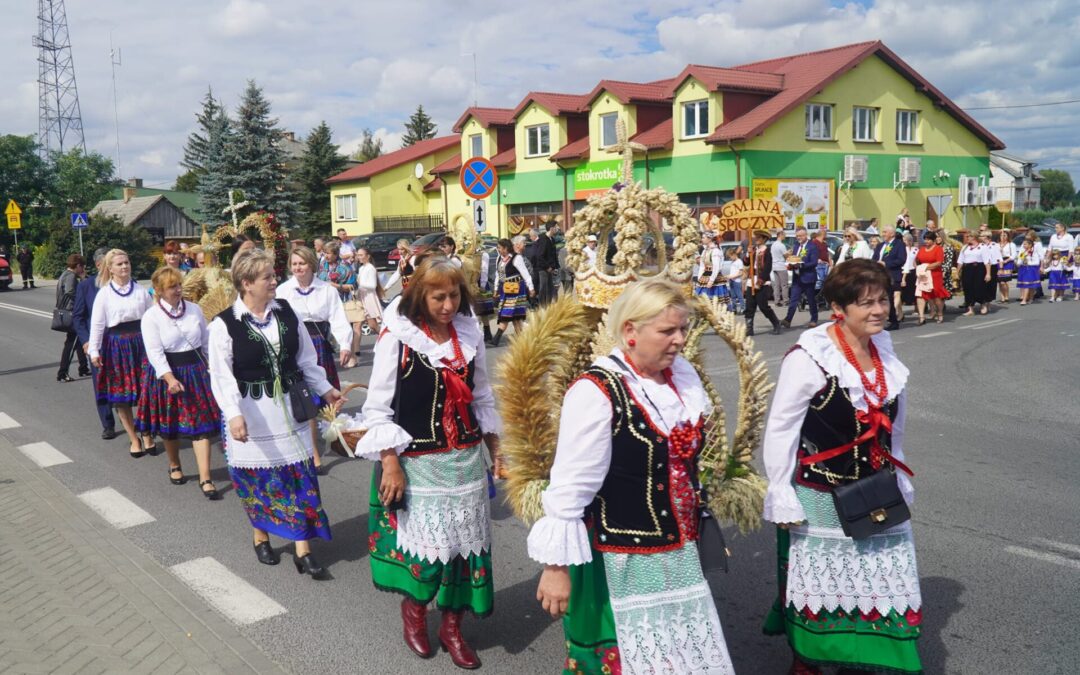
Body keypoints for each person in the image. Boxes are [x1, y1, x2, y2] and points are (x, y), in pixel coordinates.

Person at [529, 278, 736, 675]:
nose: (679, 340)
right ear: (630, 332)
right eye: (667, 331)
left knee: (680, 651)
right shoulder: (597, 391)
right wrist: (556, 568)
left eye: (683, 329)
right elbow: (571, 484)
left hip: (677, 549)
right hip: (622, 553)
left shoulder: (679, 378)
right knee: (630, 656)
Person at [762, 259, 922, 675]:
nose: (878, 310)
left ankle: (867, 662)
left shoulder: (883, 348)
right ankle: (811, 662)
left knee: (879, 585)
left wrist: (900, 471)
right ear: (838, 307)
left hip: (877, 490)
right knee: (824, 592)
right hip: (822, 495)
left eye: (883, 300)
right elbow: (781, 429)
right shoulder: (809, 358)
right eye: (866, 303)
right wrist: (780, 490)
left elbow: (895, 425)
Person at [354, 257, 502, 669]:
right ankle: (416, 611)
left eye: (455, 295)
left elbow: (483, 397)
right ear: (421, 296)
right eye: (439, 297)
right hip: (418, 460)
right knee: (428, 553)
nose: (449, 304)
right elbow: (378, 409)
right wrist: (390, 463)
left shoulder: (469, 336)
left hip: (466, 459)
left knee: (466, 553)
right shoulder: (398, 338)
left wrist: (497, 448)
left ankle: (452, 627)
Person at [208, 249, 341, 578]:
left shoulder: (286, 313)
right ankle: (261, 536)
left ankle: (303, 550)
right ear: (247, 283)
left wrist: (326, 389)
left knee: (299, 476)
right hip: (252, 414)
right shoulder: (224, 325)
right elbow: (221, 377)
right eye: (267, 276)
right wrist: (233, 415)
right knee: (260, 481)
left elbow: (307, 359)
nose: (274, 281)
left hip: (291, 410)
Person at [136, 267, 222, 498]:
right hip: (168, 373)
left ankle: (206, 478)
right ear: (159, 291)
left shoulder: (194, 310)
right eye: (172, 287)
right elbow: (154, 353)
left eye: (179, 285)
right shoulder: (151, 317)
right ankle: (174, 464)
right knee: (171, 426)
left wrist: (212, 367)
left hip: (195, 371)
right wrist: (170, 378)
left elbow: (205, 342)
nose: (178, 289)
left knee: (201, 426)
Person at [278, 246, 353, 471]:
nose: (298, 268)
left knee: (326, 400)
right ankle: (313, 454)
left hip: (319, 345)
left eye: (302, 263)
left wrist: (345, 344)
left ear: (311, 264)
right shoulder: (284, 291)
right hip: (296, 347)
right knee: (306, 399)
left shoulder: (326, 290)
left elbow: (338, 319)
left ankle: (327, 440)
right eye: (294, 264)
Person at [88, 249, 156, 458]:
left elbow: (152, 318)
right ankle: (133, 438)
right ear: (110, 268)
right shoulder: (105, 294)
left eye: (126, 262)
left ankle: (146, 433)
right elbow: (98, 325)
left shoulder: (140, 290)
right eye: (119, 264)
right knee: (122, 396)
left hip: (141, 343)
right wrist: (94, 350)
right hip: (117, 347)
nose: (124, 267)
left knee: (147, 392)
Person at [74, 248, 117, 439]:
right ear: (99, 265)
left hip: (120, 344)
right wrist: (85, 341)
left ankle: (140, 424)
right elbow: (78, 317)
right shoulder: (86, 286)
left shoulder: (122, 285)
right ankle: (107, 423)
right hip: (96, 344)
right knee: (101, 383)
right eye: (109, 262)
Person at [489, 236, 535, 347]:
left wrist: (531, 288)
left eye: (500, 248)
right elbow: (497, 275)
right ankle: (522, 341)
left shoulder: (516, 258)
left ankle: (496, 339)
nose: (498, 250)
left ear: (506, 248)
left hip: (516, 290)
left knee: (506, 313)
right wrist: (495, 289)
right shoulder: (499, 259)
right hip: (505, 290)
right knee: (515, 317)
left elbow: (526, 274)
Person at [56, 254, 90, 382]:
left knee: (79, 341)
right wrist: (82, 300)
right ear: (78, 266)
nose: (83, 269)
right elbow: (70, 291)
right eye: (83, 267)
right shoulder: (70, 276)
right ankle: (62, 373)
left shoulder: (65, 274)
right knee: (71, 343)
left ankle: (83, 367)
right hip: (72, 313)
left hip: (68, 312)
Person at [745, 230, 782, 336]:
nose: (756, 239)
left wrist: (760, 282)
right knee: (749, 306)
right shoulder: (754, 250)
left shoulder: (767, 251)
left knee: (763, 306)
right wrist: (748, 253)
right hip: (750, 281)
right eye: (756, 237)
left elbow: (767, 268)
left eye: (759, 238)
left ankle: (776, 323)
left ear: (764, 239)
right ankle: (749, 328)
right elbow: (746, 262)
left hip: (762, 281)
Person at [781, 227, 820, 329]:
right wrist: (790, 264)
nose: (798, 238)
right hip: (797, 277)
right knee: (793, 299)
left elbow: (814, 262)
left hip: (808, 277)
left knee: (811, 300)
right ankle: (788, 320)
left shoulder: (812, 246)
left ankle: (814, 319)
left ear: (805, 235)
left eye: (800, 236)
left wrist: (801, 265)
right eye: (797, 236)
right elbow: (794, 258)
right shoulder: (796, 246)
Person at [874, 224, 907, 330]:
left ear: (892, 233)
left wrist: (886, 264)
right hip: (879, 276)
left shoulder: (899, 244)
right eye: (882, 232)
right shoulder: (880, 245)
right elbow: (874, 258)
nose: (883, 234)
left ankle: (893, 321)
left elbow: (901, 259)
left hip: (891, 275)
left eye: (885, 232)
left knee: (889, 299)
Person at [915, 232, 947, 324]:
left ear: (933, 240)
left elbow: (939, 263)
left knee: (937, 295)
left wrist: (925, 267)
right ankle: (921, 317)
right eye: (925, 239)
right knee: (920, 294)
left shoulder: (938, 249)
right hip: (923, 275)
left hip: (935, 275)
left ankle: (940, 313)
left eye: (928, 239)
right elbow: (917, 260)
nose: (926, 241)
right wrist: (919, 268)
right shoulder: (922, 249)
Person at [957, 233, 991, 316]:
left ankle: (983, 305)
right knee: (967, 288)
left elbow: (987, 261)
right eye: (967, 236)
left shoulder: (983, 247)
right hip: (967, 269)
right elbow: (960, 261)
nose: (967, 238)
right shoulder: (965, 247)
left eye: (968, 236)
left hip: (979, 268)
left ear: (974, 237)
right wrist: (957, 272)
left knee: (979, 287)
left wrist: (988, 274)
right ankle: (970, 308)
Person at [355, 246, 384, 337]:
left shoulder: (370, 268)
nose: (359, 257)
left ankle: (387, 339)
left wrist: (360, 284)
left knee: (373, 325)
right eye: (358, 255)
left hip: (369, 298)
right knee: (370, 324)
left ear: (368, 256)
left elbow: (373, 285)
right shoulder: (361, 268)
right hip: (362, 296)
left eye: (361, 255)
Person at [694, 231, 723, 299]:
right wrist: (699, 278)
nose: (702, 239)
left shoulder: (715, 251)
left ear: (709, 239)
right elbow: (702, 266)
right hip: (705, 276)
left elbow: (716, 267)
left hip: (714, 277)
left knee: (713, 299)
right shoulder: (705, 251)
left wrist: (712, 280)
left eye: (703, 238)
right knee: (701, 299)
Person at [1016, 238, 1041, 305]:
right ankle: (1029, 298)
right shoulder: (1022, 252)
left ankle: (1026, 299)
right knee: (1025, 284)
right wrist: (1019, 263)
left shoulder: (1034, 252)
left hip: (1031, 269)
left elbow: (1037, 262)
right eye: (1023, 244)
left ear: (1030, 245)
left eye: (1025, 244)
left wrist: (1029, 263)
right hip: (1023, 269)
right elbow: (1020, 260)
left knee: (1028, 285)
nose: (1023, 245)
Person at [979, 231, 1001, 308]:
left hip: (993, 267)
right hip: (983, 266)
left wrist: (1000, 269)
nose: (980, 237)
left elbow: (999, 258)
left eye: (981, 236)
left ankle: (988, 301)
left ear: (986, 237)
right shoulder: (980, 245)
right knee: (982, 285)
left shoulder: (995, 245)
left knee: (990, 285)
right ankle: (983, 301)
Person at [770, 228, 790, 307]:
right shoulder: (782, 245)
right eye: (784, 235)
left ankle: (777, 301)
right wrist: (789, 253)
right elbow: (786, 256)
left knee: (776, 285)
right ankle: (786, 301)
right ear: (780, 235)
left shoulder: (773, 244)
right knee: (784, 285)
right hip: (781, 266)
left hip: (774, 266)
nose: (785, 236)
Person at [899, 232, 918, 312]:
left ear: (910, 241)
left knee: (914, 291)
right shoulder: (902, 249)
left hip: (912, 271)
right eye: (903, 240)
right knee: (902, 293)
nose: (903, 242)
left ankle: (916, 309)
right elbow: (906, 262)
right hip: (903, 271)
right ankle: (900, 312)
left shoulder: (915, 249)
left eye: (905, 240)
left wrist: (917, 270)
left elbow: (914, 261)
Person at [997, 231, 1017, 302]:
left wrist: (1007, 260)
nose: (1003, 237)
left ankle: (1006, 296)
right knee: (1000, 281)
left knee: (1005, 280)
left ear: (1008, 236)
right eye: (1001, 235)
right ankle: (1002, 297)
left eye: (1005, 235)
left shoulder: (1011, 244)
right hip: (999, 261)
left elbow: (1014, 255)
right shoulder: (997, 245)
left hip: (1008, 262)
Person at [725, 245, 746, 312]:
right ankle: (734, 308)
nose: (730, 258)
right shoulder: (732, 262)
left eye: (730, 257)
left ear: (734, 254)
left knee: (739, 296)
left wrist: (732, 276)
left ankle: (743, 307)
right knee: (733, 296)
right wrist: (728, 276)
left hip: (737, 281)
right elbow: (733, 272)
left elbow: (740, 273)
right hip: (732, 281)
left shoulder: (739, 262)